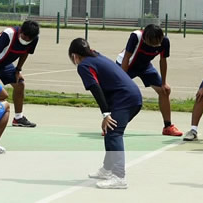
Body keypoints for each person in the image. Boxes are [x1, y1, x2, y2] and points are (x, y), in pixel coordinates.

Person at [70, 38, 143, 189]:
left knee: (114, 132)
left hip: (126, 98)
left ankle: (119, 177)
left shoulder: (83, 65)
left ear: (74, 56)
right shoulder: (96, 55)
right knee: (109, 130)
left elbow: (96, 89)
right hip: (129, 96)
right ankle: (107, 169)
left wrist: (106, 114)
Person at [117, 24, 182, 136]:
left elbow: (163, 60)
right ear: (145, 38)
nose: (154, 46)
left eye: (157, 43)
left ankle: (168, 127)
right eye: (151, 43)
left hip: (145, 66)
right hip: (127, 65)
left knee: (164, 91)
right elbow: (126, 57)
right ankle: (112, 126)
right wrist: (123, 80)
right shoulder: (136, 36)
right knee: (119, 93)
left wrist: (163, 82)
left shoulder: (165, 41)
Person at [0, 20, 39, 128]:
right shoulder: (9, 33)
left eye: (29, 39)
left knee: (20, 84)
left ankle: (18, 118)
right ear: (21, 31)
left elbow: (25, 53)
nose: (26, 40)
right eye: (24, 37)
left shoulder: (34, 39)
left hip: (4, 63)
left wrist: (18, 70)